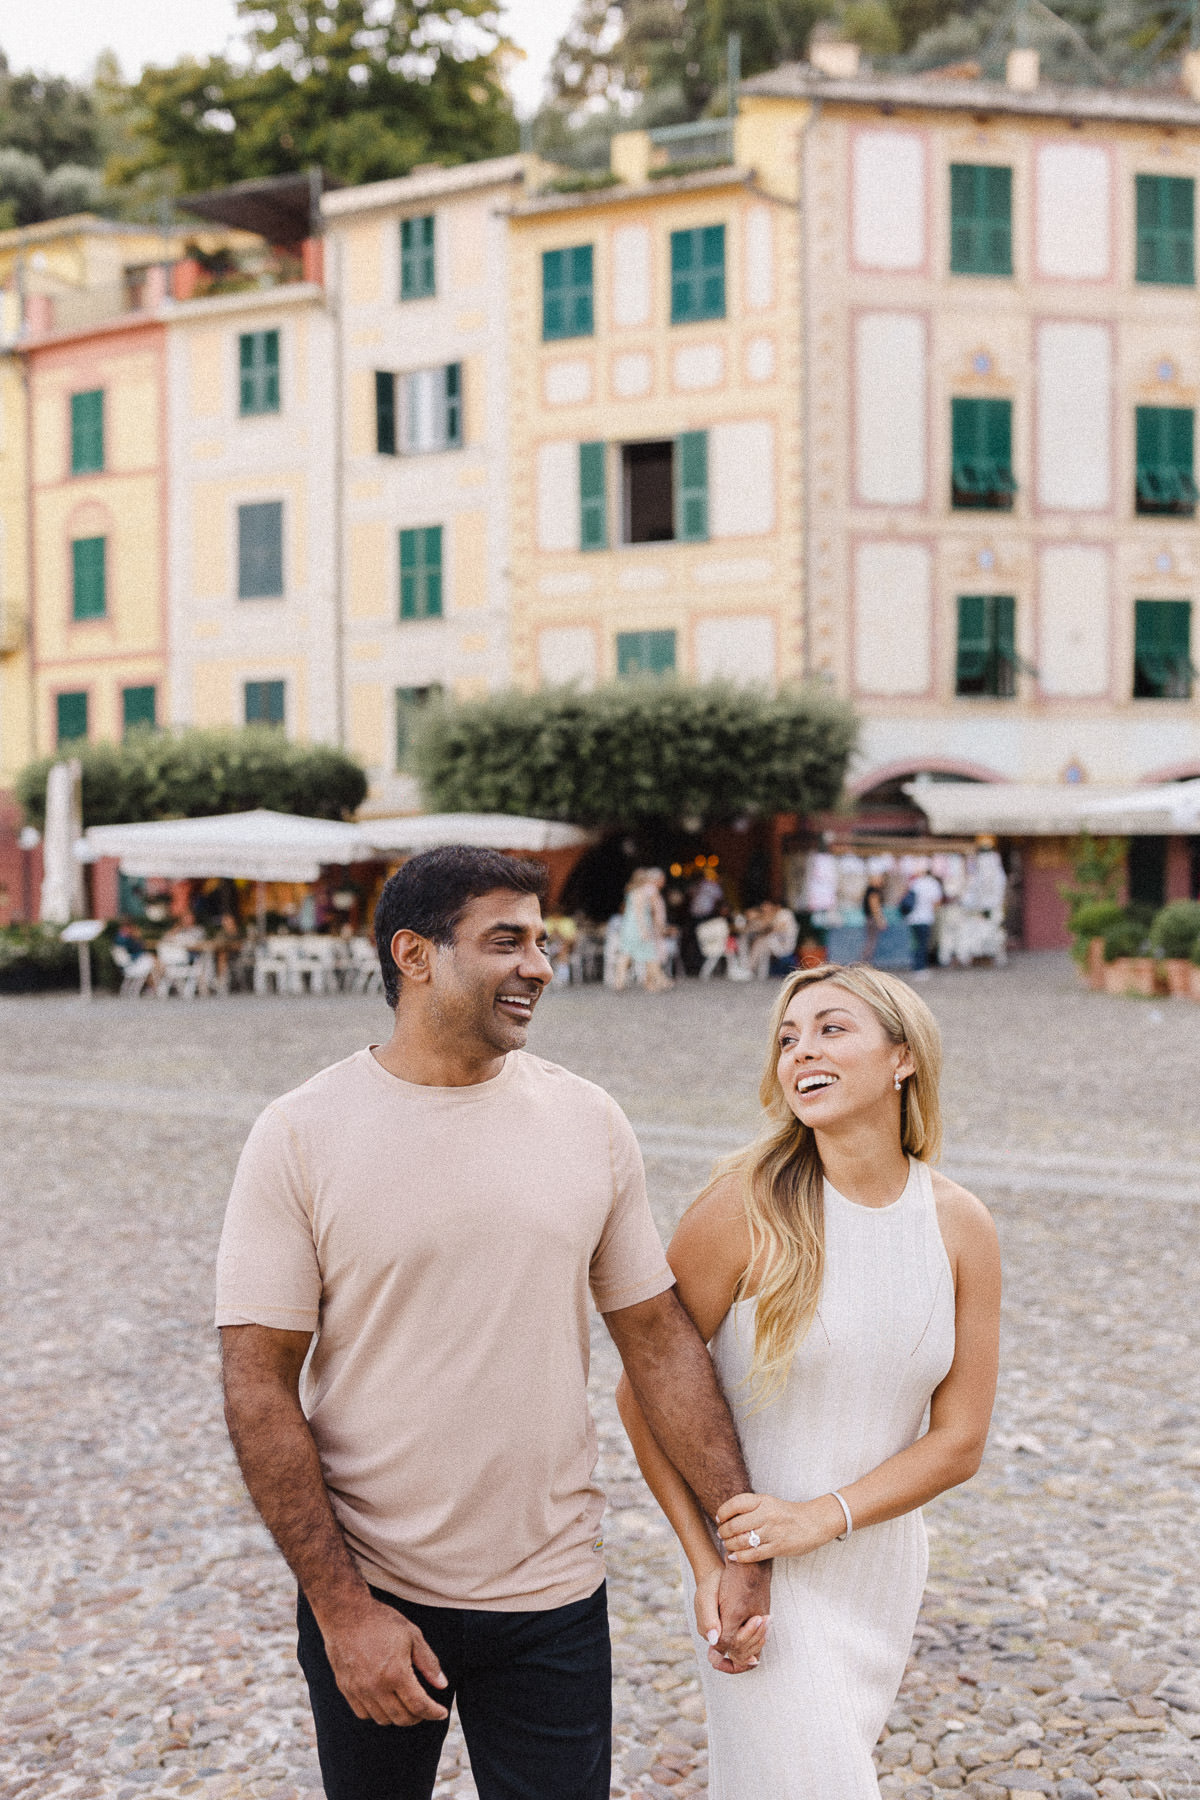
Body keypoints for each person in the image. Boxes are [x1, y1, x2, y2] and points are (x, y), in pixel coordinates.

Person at [216, 846, 768, 1800]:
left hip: (553, 1594)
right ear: (415, 955)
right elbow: (257, 1381)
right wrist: (343, 1610)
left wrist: (736, 1540)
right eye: (506, 941)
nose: (540, 967)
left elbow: (660, 1340)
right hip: (376, 1588)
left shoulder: (587, 1119)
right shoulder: (300, 1132)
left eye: (542, 943)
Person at [618, 963, 1001, 1799]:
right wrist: (707, 1561)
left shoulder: (961, 1225)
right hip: (756, 1581)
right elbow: (643, 1393)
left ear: (903, 1057)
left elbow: (960, 1440)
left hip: (877, 1570)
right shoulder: (742, 1207)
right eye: (788, 1038)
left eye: (832, 1029)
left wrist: (820, 1518)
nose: (801, 1052)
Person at [903, 865, 943, 979]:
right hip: (925, 917)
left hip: (912, 918)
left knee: (915, 943)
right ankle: (920, 968)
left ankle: (916, 966)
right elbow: (936, 902)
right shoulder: (933, 884)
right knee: (923, 944)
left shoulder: (915, 883)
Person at [747, 900, 800, 980]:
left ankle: (750, 968)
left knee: (761, 942)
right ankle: (753, 969)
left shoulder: (784, 913)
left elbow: (779, 928)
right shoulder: (776, 915)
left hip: (784, 945)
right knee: (760, 943)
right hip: (777, 943)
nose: (764, 908)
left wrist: (768, 927)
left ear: (775, 906)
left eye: (767, 906)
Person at [861, 878, 887, 966]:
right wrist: (880, 920)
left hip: (870, 918)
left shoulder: (869, 891)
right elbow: (875, 907)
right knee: (871, 942)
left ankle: (865, 963)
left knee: (871, 942)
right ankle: (864, 963)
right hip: (872, 919)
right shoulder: (873, 892)